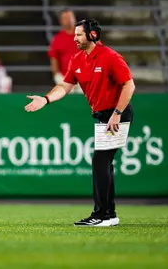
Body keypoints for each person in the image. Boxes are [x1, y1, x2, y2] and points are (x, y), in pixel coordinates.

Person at [25, 19, 135, 227]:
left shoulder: (110, 57)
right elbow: (65, 86)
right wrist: (46, 99)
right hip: (104, 116)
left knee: (100, 162)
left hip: (116, 115)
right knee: (104, 164)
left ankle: (101, 215)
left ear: (92, 35)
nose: (74, 38)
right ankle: (108, 214)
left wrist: (117, 113)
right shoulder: (77, 59)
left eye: (79, 35)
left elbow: (129, 85)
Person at [47, 8, 81, 93]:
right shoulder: (57, 39)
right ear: (61, 21)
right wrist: (57, 76)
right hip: (65, 79)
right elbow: (54, 58)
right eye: (66, 18)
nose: (69, 20)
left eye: (70, 17)